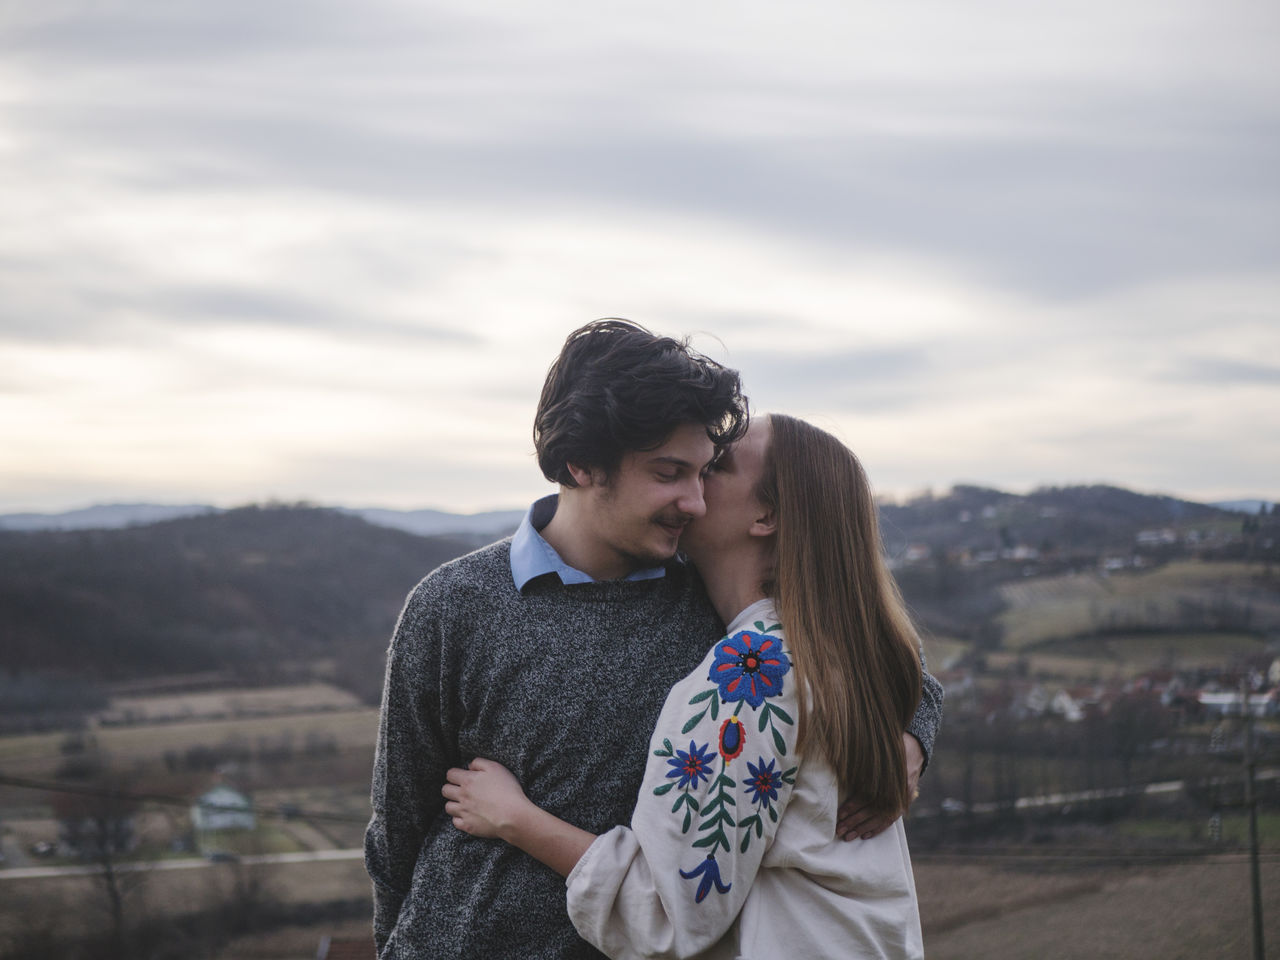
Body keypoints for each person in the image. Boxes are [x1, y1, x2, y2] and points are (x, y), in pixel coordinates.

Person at [365, 320, 941, 959]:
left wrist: (911, 734)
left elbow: (860, 648)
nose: (694, 501)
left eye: (706, 473)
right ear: (582, 463)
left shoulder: (720, 610)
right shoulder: (452, 605)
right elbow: (396, 832)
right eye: (671, 473)